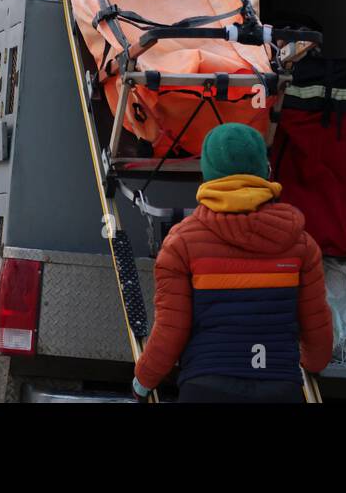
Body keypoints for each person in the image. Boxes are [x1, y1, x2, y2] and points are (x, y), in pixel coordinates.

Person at [131, 122, 333, 403]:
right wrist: (313, 364)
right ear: (264, 170)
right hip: (278, 387)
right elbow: (317, 328)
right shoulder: (301, 245)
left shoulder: (182, 243)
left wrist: (143, 381)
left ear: (208, 172)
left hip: (206, 388)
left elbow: (170, 330)